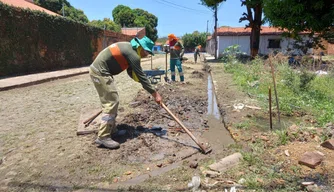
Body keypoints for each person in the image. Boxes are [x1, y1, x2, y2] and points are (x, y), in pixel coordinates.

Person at [89, 36, 162, 149]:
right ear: (142, 48)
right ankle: (103, 137)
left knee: (113, 101)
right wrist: (155, 93)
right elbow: (141, 76)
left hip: (101, 71)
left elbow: (131, 72)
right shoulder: (133, 54)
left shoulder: (129, 49)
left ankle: (111, 130)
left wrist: (144, 83)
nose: (147, 55)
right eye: (147, 52)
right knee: (111, 102)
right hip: (100, 73)